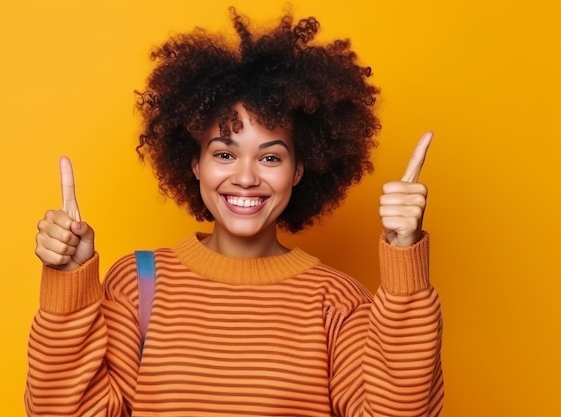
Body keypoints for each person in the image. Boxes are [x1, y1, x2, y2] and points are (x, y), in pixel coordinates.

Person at [26, 7, 444, 417]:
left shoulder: (335, 302)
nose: (245, 178)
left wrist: (404, 262)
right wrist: (69, 286)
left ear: (299, 170)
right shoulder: (139, 284)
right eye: (225, 153)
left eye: (270, 158)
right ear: (195, 164)